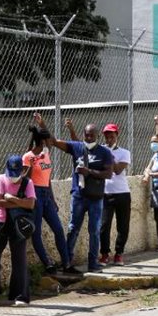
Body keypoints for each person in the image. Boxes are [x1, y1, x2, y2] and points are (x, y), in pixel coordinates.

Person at [44, 117, 114, 273]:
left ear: (97, 136)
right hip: (78, 195)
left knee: (94, 230)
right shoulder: (77, 147)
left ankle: (93, 263)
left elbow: (108, 174)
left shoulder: (104, 152)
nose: (88, 138)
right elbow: (54, 141)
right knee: (73, 228)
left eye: (91, 135)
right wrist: (42, 124)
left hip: (95, 198)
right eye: (86, 135)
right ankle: (67, 261)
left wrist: (89, 172)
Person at [0, 155, 37, 306]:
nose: (13, 177)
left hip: (18, 226)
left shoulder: (28, 182)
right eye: (11, 174)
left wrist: (12, 198)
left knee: (19, 260)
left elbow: (31, 204)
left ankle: (20, 295)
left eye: (16, 174)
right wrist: (21, 202)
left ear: (22, 171)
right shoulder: (0, 179)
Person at [24, 118, 71, 274]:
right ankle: (47, 263)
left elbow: (48, 178)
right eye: (49, 139)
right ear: (43, 141)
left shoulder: (46, 154)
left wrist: (52, 198)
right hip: (35, 194)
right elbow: (26, 179)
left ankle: (67, 264)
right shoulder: (28, 156)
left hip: (46, 194)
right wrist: (33, 161)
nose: (52, 141)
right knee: (36, 233)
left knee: (58, 229)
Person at [99, 123, 132, 264]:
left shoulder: (124, 152)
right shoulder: (99, 150)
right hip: (106, 193)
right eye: (107, 135)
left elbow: (118, 170)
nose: (109, 138)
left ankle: (119, 253)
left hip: (122, 193)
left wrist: (108, 155)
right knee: (104, 225)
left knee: (123, 225)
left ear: (117, 135)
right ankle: (105, 253)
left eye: (112, 135)